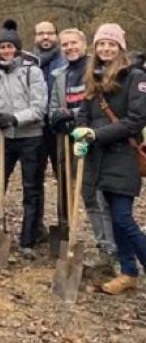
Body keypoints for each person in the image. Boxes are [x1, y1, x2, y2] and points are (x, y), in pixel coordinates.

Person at [72, 23, 146, 295]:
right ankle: (128, 273)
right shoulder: (94, 77)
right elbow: (83, 112)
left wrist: (96, 134)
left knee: (124, 219)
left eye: (111, 44)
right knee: (115, 221)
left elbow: (136, 120)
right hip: (98, 158)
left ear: (120, 48)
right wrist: (79, 133)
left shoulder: (136, 77)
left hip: (123, 156)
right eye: (101, 44)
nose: (105, 48)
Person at [49, 28, 117, 262]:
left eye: (73, 43)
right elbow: (55, 107)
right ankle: (99, 243)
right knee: (86, 194)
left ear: (84, 44)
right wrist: (58, 118)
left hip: (95, 138)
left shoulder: (96, 71)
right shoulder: (59, 75)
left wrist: (74, 116)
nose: (69, 48)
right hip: (71, 140)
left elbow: (97, 108)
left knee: (100, 195)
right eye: (65, 44)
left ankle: (109, 248)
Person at [0, 20, 47, 260]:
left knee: (31, 189)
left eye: (10, 47)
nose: (6, 51)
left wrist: (15, 118)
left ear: (17, 49)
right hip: (3, 138)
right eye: (2, 47)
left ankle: (27, 240)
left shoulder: (32, 71)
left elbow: (39, 107)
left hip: (31, 137)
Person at [33, 21, 67, 241]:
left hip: (60, 129)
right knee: (34, 177)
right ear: (35, 37)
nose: (46, 37)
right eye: (41, 33)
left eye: (50, 33)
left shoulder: (65, 60)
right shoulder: (29, 62)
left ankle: (65, 226)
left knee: (63, 177)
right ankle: (35, 226)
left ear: (56, 35)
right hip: (35, 128)